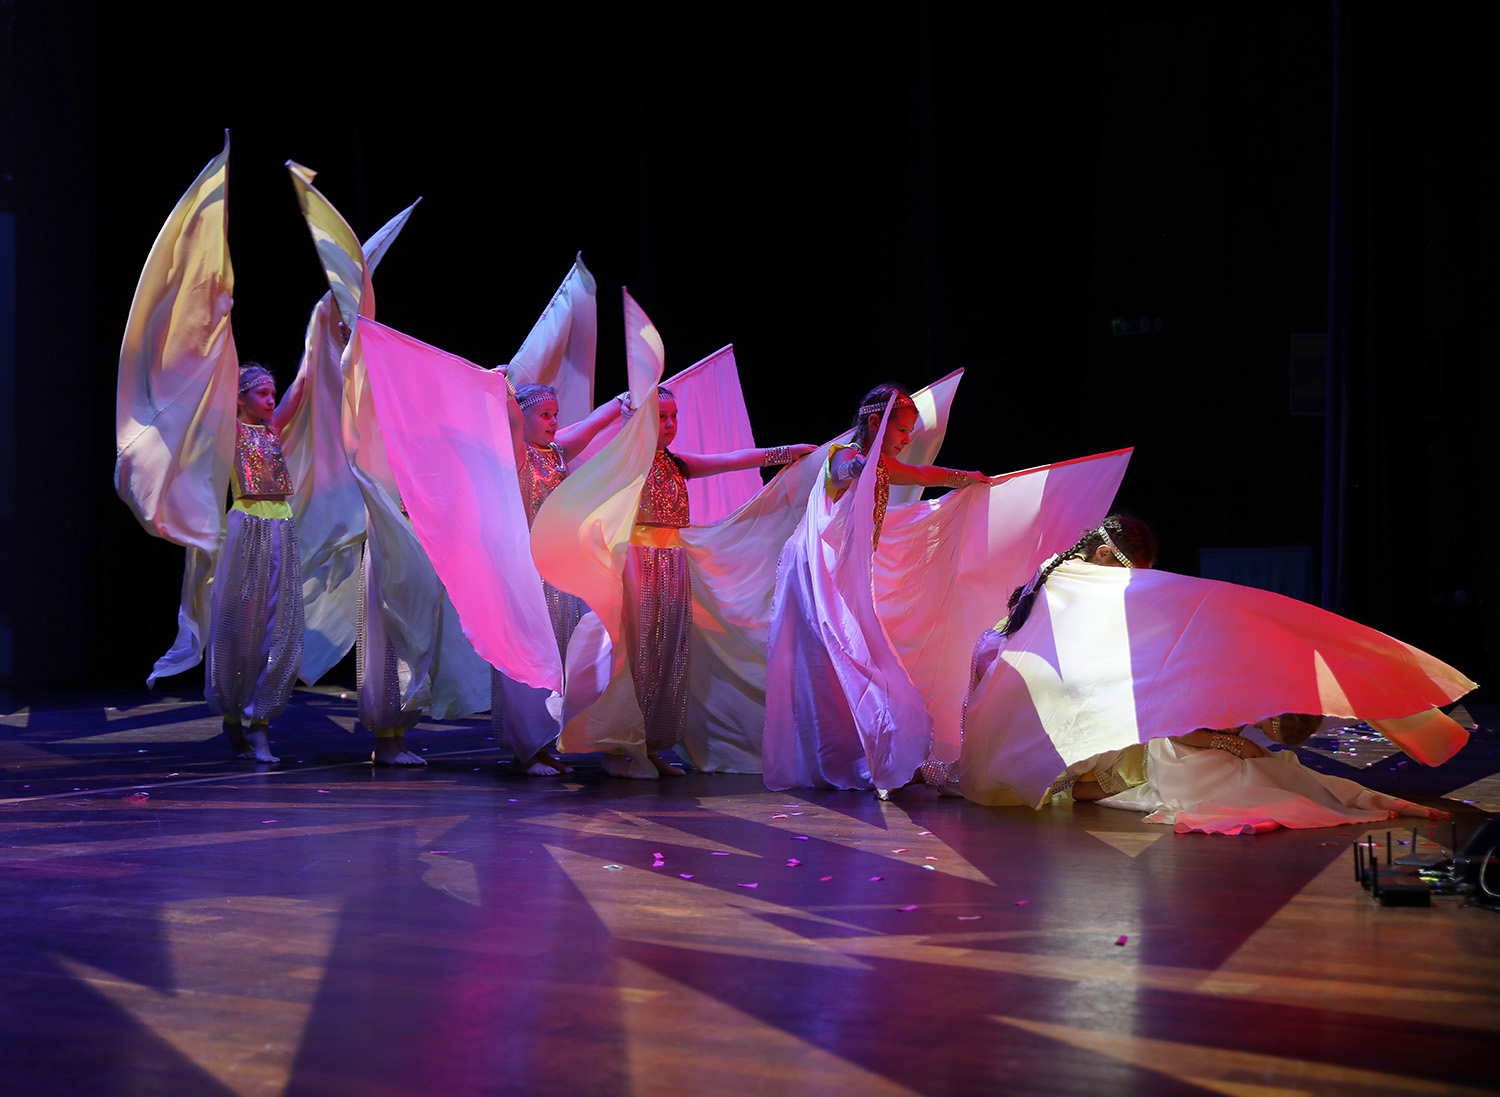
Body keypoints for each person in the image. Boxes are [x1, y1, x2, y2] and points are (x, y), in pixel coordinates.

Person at [954, 514, 1475, 831]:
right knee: (1146, 762)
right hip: (1034, 708)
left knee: (1151, 758)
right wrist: (1232, 743)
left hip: (1053, 714)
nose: (1130, 589)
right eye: (1128, 575)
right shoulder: (1070, 585)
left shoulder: (1070, 585)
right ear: (1103, 554)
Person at [763, 384, 988, 796]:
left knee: (845, 665)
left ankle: (872, 757)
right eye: (901, 431)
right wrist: (860, 467)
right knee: (840, 663)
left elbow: (924, 474)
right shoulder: (845, 457)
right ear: (875, 423)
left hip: (841, 573)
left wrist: (967, 479)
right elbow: (845, 471)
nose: (906, 440)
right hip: (816, 572)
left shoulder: (881, 465)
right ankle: (865, 760)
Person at [606, 385, 817, 777]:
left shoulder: (676, 463)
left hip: (672, 563)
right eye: (660, 416)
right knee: (635, 654)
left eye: (673, 416)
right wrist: (628, 418)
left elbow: (731, 460)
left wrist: (785, 452)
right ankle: (619, 751)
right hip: (637, 562)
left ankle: (650, 747)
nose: (670, 424)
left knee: (665, 656)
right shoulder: (628, 463)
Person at [492, 383, 621, 774]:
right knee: (528, 654)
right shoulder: (516, 453)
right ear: (524, 417)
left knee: (559, 655)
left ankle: (546, 743)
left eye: (555, 415)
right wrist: (506, 391)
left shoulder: (558, 452)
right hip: (524, 569)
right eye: (544, 415)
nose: (552, 422)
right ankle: (528, 749)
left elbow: (592, 424)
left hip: (559, 569)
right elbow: (512, 421)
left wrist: (626, 400)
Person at [206, 363, 306, 764]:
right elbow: (211, 398)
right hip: (248, 525)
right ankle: (233, 714)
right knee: (241, 624)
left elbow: (303, 384)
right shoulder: (232, 430)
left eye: (272, 394)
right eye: (262, 393)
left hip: (281, 525)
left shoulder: (273, 429)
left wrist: (317, 337)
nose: (270, 401)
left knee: (278, 627)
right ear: (240, 397)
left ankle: (260, 725)